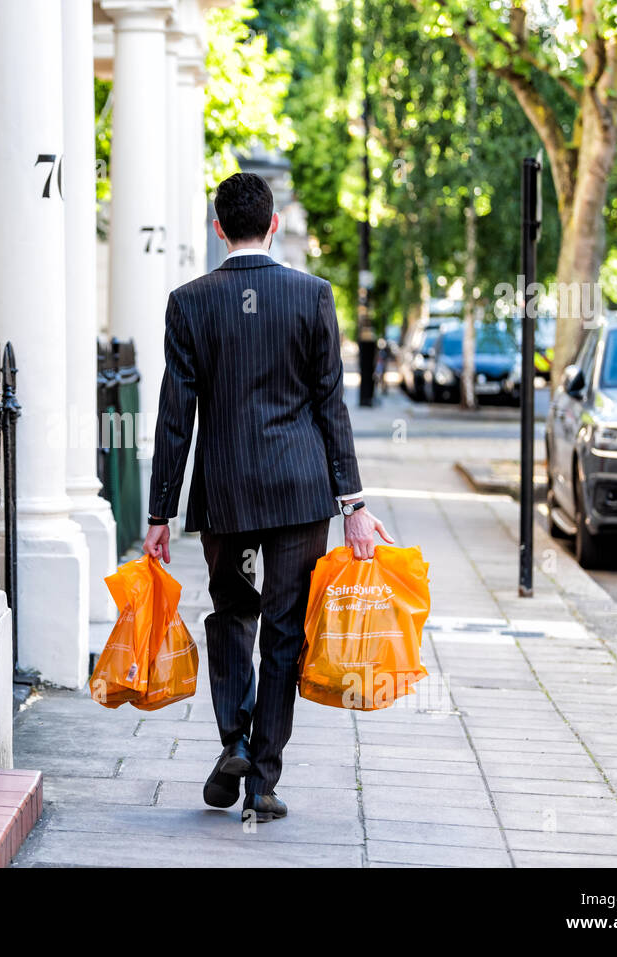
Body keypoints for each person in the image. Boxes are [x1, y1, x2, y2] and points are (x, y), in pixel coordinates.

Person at [143, 172, 392, 823]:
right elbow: (330, 404)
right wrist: (353, 504)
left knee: (231, 614)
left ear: (218, 227)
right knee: (284, 630)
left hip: (224, 490)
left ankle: (233, 739)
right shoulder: (311, 296)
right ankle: (263, 777)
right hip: (298, 491)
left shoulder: (189, 301)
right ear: (273, 224)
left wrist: (158, 512)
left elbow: (177, 415)